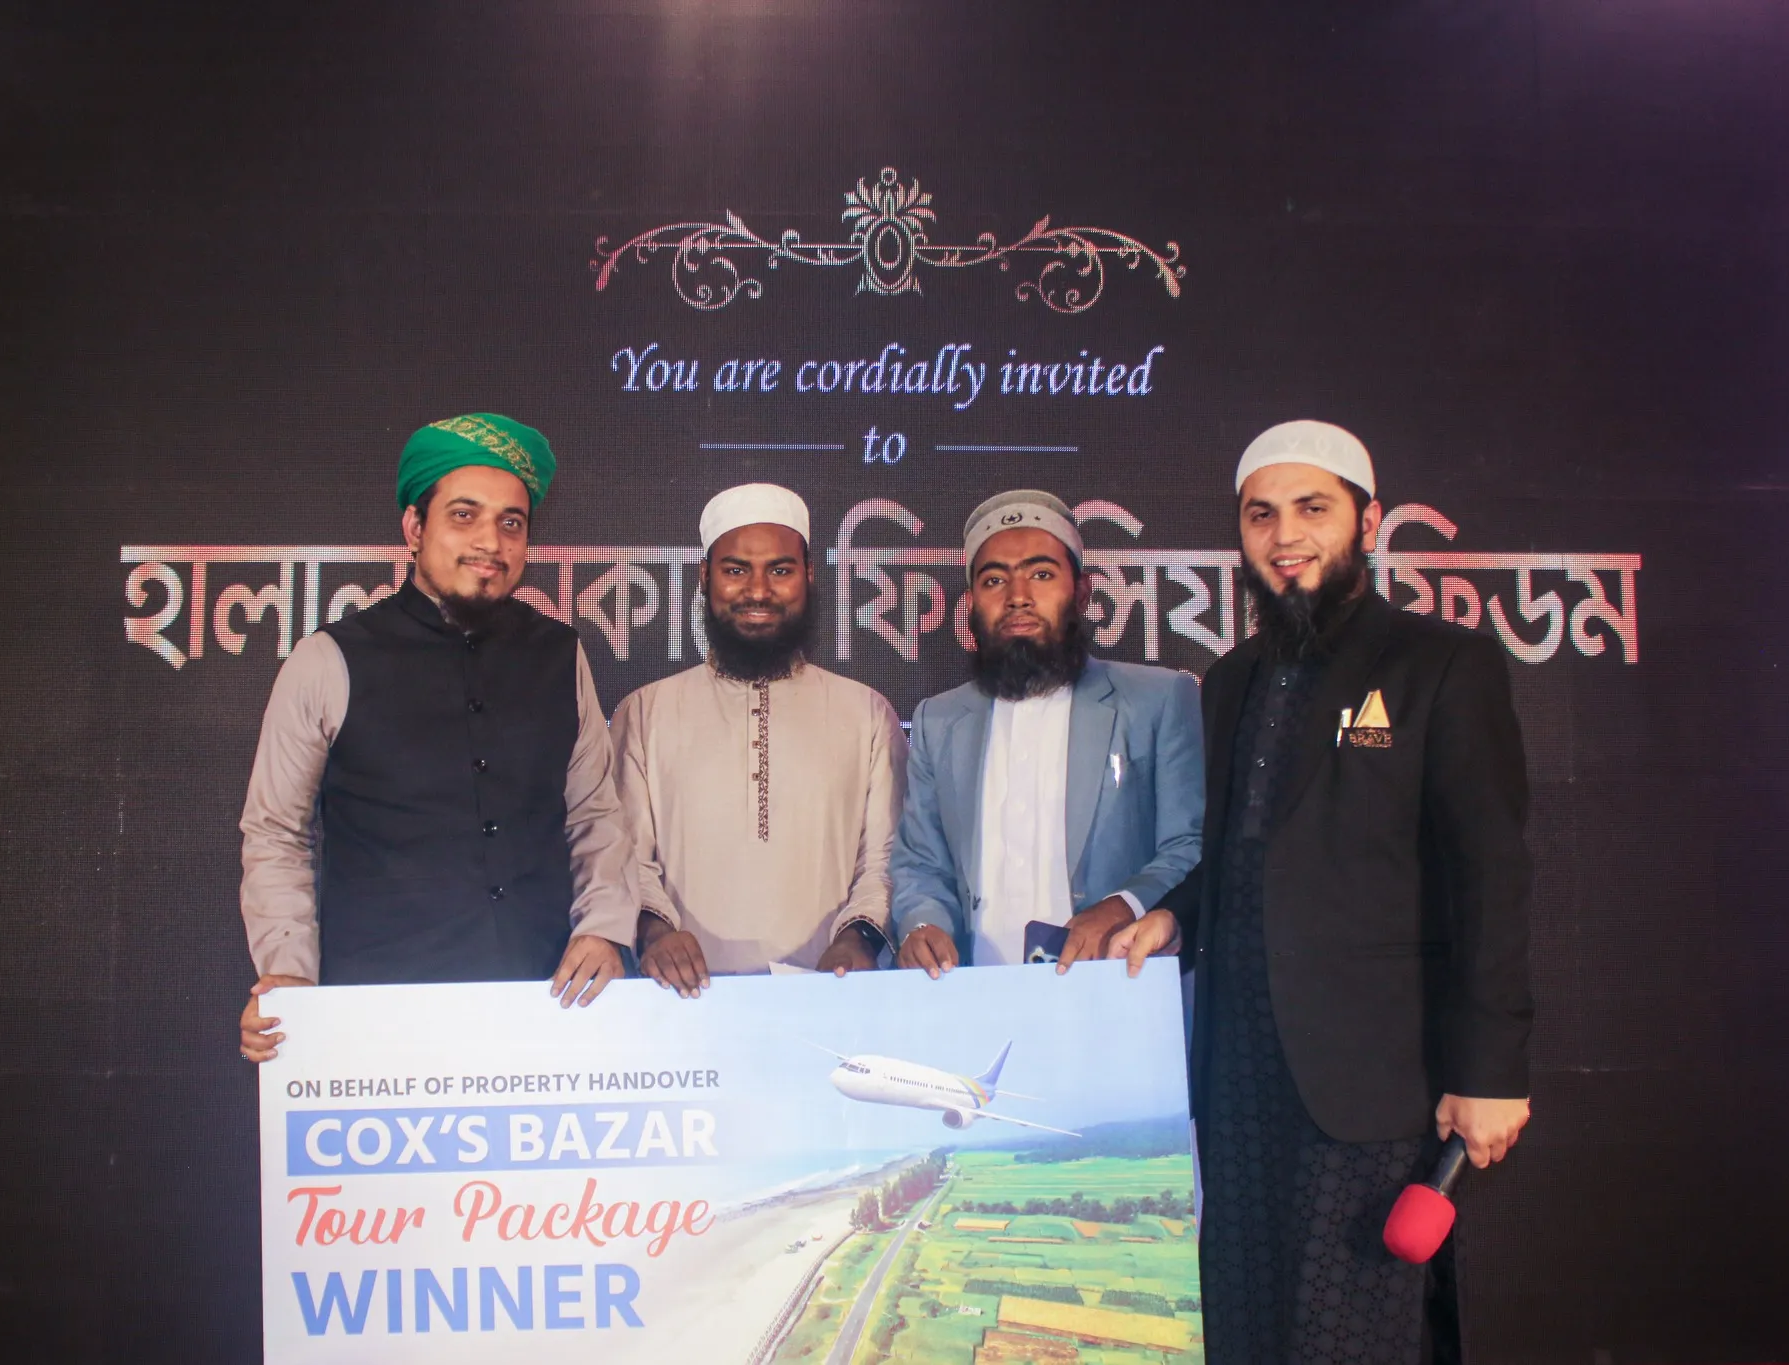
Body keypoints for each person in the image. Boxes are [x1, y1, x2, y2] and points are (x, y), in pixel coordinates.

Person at [1109, 420, 1533, 1363]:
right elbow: (1238, 853)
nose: (1285, 534)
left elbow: (1491, 873)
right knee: (1245, 1326)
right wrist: (1171, 913)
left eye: (1312, 508)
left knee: (1351, 1334)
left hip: (1372, 1085)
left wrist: (1491, 1069)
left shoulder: (1439, 664)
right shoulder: (1229, 680)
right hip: (1239, 1076)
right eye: (1261, 515)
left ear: (1368, 523)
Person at [236, 413, 642, 1062]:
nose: (490, 541)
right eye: (464, 515)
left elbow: (594, 814)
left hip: (546, 1009)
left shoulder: (560, 655)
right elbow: (277, 832)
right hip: (378, 1017)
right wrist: (288, 972)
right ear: (414, 528)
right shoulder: (329, 660)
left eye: (511, 522)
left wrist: (603, 928)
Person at [890, 489, 1205, 975]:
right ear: (970, 604)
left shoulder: (1158, 700)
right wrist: (923, 924)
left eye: (1041, 574)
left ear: (1081, 591)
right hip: (973, 993)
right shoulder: (939, 720)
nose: (1018, 596)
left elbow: (1190, 845)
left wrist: (1123, 906)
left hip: (1114, 981)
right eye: (995, 580)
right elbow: (920, 863)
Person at [611, 483, 906, 992]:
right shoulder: (644, 713)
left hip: (832, 995)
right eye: (735, 570)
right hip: (678, 1003)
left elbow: (886, 856)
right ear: (704, 577)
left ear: (809, 575)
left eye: (780, 570)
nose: (758, 591)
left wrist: (857, 939)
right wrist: (657, 934)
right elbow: (623, 855)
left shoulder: (868, 714)